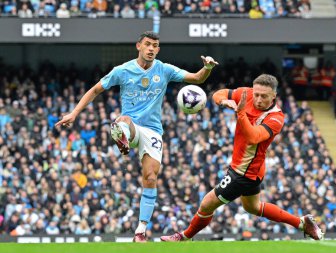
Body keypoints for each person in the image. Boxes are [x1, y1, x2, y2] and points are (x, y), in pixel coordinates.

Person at [55, 31, 219, 242]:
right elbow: (95, 90)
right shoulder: (122, 70)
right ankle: (121, 136)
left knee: (150, 178)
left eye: (155, 46)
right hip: (131, 125)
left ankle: (140, 231)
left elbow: (197, 79)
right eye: (148, 44)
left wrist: (207, 67)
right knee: (124, 120)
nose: (151, 49)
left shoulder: (164, 69)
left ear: (158, 49)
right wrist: (74, 113)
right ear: (138, 46)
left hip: (152, 131)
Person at [161, 74, 324, 242]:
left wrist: (240, 113)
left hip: (243, 172)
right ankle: (302, 223)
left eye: (264, 96)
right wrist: (225, 101)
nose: (258, 99)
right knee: (253, 207)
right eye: (257, 94)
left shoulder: (276, 118)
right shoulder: (246, 94)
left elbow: (253, 137)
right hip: (252, 168)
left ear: (274, 96)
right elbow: (219, 94)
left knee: (207, 204)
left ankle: (184, 236)